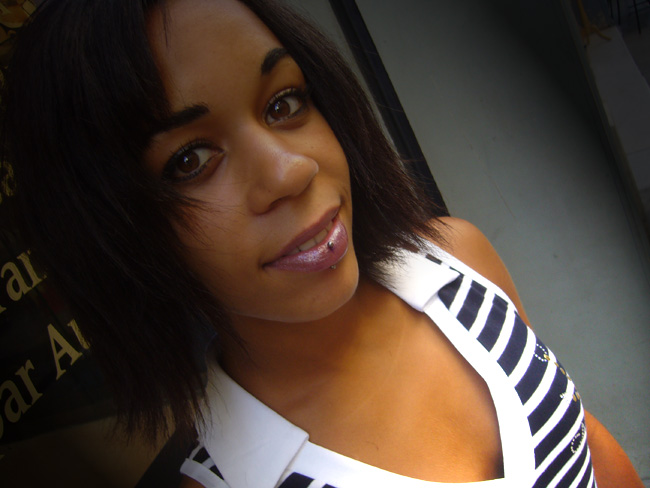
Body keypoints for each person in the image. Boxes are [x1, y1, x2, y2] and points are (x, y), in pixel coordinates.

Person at [1, 0, 643, 487]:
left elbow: (587, 449)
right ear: (114, 233)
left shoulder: (457, 259)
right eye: (191, 159)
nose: (291, 171)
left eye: (283, 103)